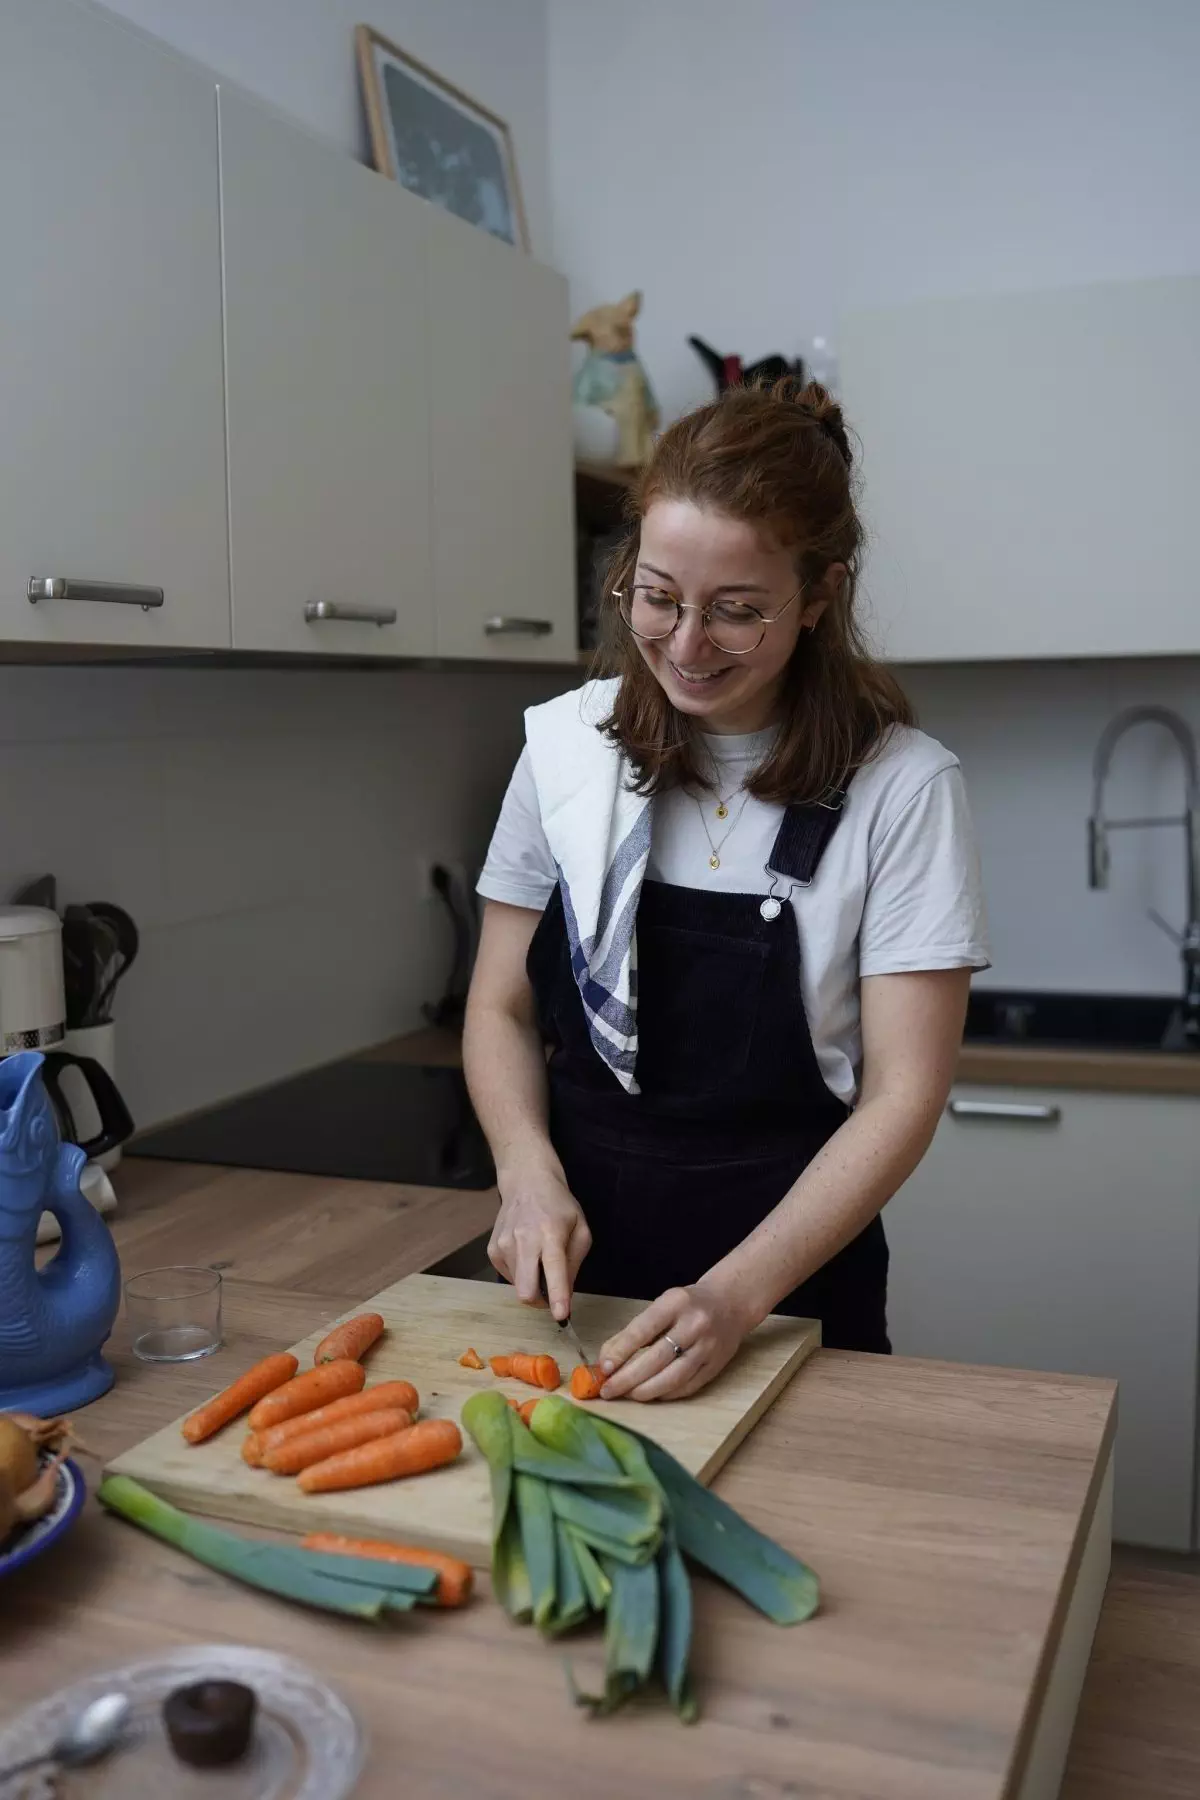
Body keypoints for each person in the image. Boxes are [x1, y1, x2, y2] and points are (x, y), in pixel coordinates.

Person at [464, 378, 989, 1402]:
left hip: (789, 1296)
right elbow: (499, 1003)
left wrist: (737, 1298)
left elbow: (904, 1095)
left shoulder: (904, 788)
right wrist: (524, 1173)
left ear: (821, 596)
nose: (687, 647)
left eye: (738, 612)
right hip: (577, 1290)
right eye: (658, 597)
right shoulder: (566, 751)